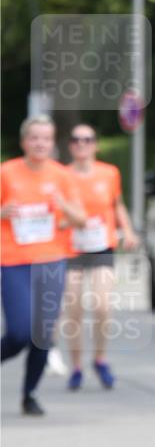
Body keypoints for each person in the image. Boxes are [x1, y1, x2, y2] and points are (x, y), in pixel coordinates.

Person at [1, 115, 86, 415]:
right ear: (24, 141)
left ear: (52, 143)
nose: (40, 143)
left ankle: (30, 393)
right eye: (34, 138)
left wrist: (62, 205)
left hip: (51, 261)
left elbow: (81, 218)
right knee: (21, 332)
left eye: (46, 138)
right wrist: (2, 212)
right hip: (12, 262)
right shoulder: (6, 173)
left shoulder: (62, 176)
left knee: (43, 334)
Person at [63, 124, 139, 390]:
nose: (81, 144)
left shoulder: (109, 173)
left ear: (95, 144)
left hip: (101, 245)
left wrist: (128, 231)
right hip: (71, 246)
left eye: (87, 139)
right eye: (76, 140)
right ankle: (75, 366)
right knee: (73, 308)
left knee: (102, 305)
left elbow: (116, 205)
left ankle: (99, 358)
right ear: (70, 145)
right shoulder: (63, 175)